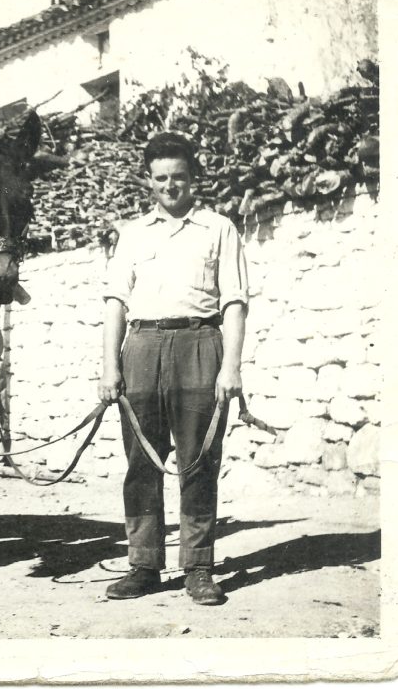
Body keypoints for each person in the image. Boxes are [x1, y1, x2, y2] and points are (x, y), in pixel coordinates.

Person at [98, 132, 249, 606]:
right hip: (140, 346)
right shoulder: (132, 234)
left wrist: (231, 368)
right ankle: (143, 565)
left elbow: (235, 305)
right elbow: (114, 305)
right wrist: (109, 367)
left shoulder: (219, 228)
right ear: (149, 181)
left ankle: (198, 568)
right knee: (140, 464)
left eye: (179, 177)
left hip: (200, 344)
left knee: (198, 463)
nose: (170, 186)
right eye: (161, 178)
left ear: (193, 178)